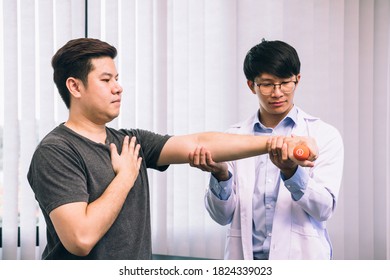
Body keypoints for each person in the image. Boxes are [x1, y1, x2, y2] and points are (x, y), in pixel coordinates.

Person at [26, 38, 317, 260]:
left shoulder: (129, 141)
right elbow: (80, 238)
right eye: (106, 80)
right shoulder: (56, 151)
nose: (118, 87)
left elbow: (199, 143)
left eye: (116, 78)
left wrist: (280, 143)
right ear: (75, 87)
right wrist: (126, 177)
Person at [188, 39, 344, 260]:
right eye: (268, 84)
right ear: (251, 85)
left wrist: (292, 173)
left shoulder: (324, 135)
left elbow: (324, 209)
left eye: (285, 82)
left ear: (297, 80)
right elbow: (221, 217)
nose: (277, 93)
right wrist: (221, 174)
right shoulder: (233, 138)